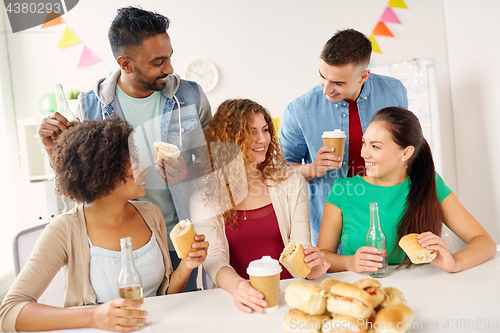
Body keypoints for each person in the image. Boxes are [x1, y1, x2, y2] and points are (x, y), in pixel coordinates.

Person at [37, 6, 212, 291]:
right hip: (121, 247)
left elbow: (211, 159)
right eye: (158, 62)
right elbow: (81, 180)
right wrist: (51, 150)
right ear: (126, 63)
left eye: (169, 57)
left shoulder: (190, 95)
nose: (169, 69)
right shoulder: (90, 107)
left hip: (181, 237)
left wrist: (187, 170)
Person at [0, 117, 208, 332]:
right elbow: (9, 313)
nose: (145, 169)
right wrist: (94, 317)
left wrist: (187, 265)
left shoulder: (150, 214)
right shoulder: (64, 230)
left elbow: (161, 299)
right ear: (105, 172)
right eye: (135, 162)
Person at [190, 99, 330, 314]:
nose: (263, 138)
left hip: (289, 296)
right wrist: (240, 288)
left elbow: (300, 244)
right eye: (251, 131)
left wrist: (311, 268)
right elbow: (213, 258)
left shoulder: (291, 182)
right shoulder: (204, 197)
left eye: (265, 129)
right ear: (229, 139)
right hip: (238, 301)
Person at [317, 107, 496, 273]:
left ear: (405, 153)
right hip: (365, 292)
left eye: (375, 146)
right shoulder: (344, 189)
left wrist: (453, 263)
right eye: (365, 143)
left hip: (427, 290)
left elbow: (484, 242)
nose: (364, 153)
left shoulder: (429, 183)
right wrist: (349, 262)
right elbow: (323, 255)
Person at [280, 29, 408, 245]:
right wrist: (313, 168)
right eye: (322, 77)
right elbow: (279, 172)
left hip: (390, 212)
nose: (326, 90)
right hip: (331, 227)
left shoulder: (394, 92)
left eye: (338, 83)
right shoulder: (299, 110)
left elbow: (406, 146)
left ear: (364, 76)